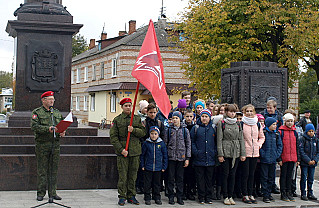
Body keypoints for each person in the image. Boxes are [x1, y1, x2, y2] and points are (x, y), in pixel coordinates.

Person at [110, 98, 146, 206]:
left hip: (135, 151)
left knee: (133, 175)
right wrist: (121, 150)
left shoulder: (136, 119)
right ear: (122, 107)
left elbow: (143, 132)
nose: (128, 107)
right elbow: (113, 137)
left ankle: (131, 195)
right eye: (126, 106)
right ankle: (122, 196)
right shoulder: (117, 120)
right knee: (123, 175)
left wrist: (133, 130)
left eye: (130, 105)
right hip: (123, 152)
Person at [31, 91, 65, 201]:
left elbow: (62, 125)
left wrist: (63, 131)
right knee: (42, 170)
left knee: (53, 170)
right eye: (50, 99)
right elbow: (34, 127)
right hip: (42, 145)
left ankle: (53, 193)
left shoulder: (56, 113)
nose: (52, 101)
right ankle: (41, 193)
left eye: (53, 99)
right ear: (43, 100)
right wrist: (48, 129)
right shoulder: (37, 112)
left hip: (55, 145)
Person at [217, 104, 246, 205]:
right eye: (230, 111)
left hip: (235, 151)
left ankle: (230, 195)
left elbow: (241, 139)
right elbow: (219, 139)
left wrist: (243, 153)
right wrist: (220, 154)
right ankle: (225, 196)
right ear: (226, 112)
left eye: (234, 112)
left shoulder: (238, 124)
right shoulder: (222, 123)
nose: (232, 113)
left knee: (233, 175)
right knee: (225, 174)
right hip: (226, 151)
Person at [191, 109, 217, 204]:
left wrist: (214, 152)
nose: (204, 118)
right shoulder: (196, 128)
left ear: (210, 117)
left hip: (210, 158)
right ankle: (201, 197)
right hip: (199, 158)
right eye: (203, 116)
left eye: (206, 116)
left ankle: (208, 197)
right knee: (200, 179)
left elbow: (216, 142)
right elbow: (192, 141)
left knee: (209, 179)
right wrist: (196, 152)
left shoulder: (213, 128)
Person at [166, 111, 191, 205]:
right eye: (173, 118)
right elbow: (165, 143)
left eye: (177, 118)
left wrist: (187, 158)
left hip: (181, 158)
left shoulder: (185, 130)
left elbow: (188, 144)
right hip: (171, 157)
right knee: (171, 178)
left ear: (180, 119)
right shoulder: (168, 130)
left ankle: (180, 196)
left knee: (180, 178)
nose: (175, 120)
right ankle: (171, 196)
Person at [241, 104, 265, 204]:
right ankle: (245, 194)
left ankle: (251, 194)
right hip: (245, 152)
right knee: (245, 174)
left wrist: (258, 145)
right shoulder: (242, 124)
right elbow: (240, 138)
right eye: (247, 111)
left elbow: (262, 137)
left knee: (252, 174)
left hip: (255, 152)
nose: (249, 113)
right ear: (244, 112)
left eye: (251, 111)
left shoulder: (257, 124)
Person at [260, 99, 283, 194]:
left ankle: (271, 189)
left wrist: (277, 155)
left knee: (271, 175)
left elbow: (279, 145)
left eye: (271, 108)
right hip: (265, 154)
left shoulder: (279, 117)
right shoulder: (263, 115)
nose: (269, 110)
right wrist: (263, 154)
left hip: (273, 152)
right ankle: (265, 192)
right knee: (264, 175)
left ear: (275, 108)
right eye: (267, 108)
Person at [140, 126, 168, 205]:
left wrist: (164, 166)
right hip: (148, 167)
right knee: (147, 184)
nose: (153, 135)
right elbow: (142, 155)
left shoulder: (161, 143)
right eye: (152, 134)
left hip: (158, 168)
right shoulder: (146, 143)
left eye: (155, 134)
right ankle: (147, 197)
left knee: (157, 184)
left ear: (158, 135)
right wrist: (142, 165)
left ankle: (157, 197)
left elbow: (165, 155)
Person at [278, 113, 299, 202]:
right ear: (285, 122)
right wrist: (279, 159)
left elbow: (297, 146)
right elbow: (279, 145)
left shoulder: (295, 132)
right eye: (288, 121)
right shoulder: (281, 132)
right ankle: (283, 192)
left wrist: (298, 159)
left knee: (290, 176)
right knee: (283, 175)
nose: (290, 123)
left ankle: (289, 191)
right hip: (284, 157)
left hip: (292, 157)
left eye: (291, 121)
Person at [299, 124, 319, 201]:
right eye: (309, 131)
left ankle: (310, 192)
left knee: (311, 178)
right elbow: (301, 151)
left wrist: (315, 160)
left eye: (312, 131)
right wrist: (308, 160)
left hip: (313, 163)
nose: (311, 133)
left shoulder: (316, 140)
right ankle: (303, 193)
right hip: (305, 163)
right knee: (304, 177)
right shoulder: (303, 139)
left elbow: (318, 151)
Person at [182, 109, 196, 200]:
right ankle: (183, 191)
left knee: (191, 174)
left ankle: (190, 191)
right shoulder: (182, 127)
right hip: (183, 153)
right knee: (183, 174)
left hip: (192, 153)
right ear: (184, 117)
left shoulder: (195, 127)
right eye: (187, 116)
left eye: (191, 116)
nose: (189, 118)